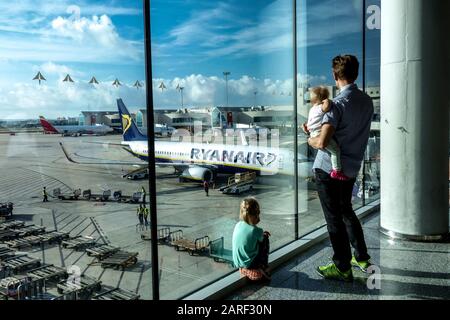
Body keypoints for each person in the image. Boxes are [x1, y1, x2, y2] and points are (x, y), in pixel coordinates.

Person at [308, 54, 373, 282]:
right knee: (346, 210)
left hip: (328, 170)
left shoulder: (337, 105)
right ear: (356, 74)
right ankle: (361, 257)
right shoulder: (367, 101)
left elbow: (323, 142)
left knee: (333, 218)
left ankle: (342, 266)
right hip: (351, 169)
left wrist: (310, 140)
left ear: (335, 75)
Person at [303, 86, 348, 180]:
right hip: (319, 134)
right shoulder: (320, 108)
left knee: (329, 150)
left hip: (313, 133)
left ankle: (332, 167)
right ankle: (337, 171)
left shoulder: (312, 109)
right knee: (335, 151)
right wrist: (328, 100)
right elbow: (327, 105)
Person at [232, 198, 271, 281]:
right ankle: (263, 267)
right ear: (256, 215)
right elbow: (261, 241)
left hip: (237, 262)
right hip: (250, 264)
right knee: (265, 239)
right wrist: (264, 235)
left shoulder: (238, 224)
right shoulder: (257, 230)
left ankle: (244, 269)